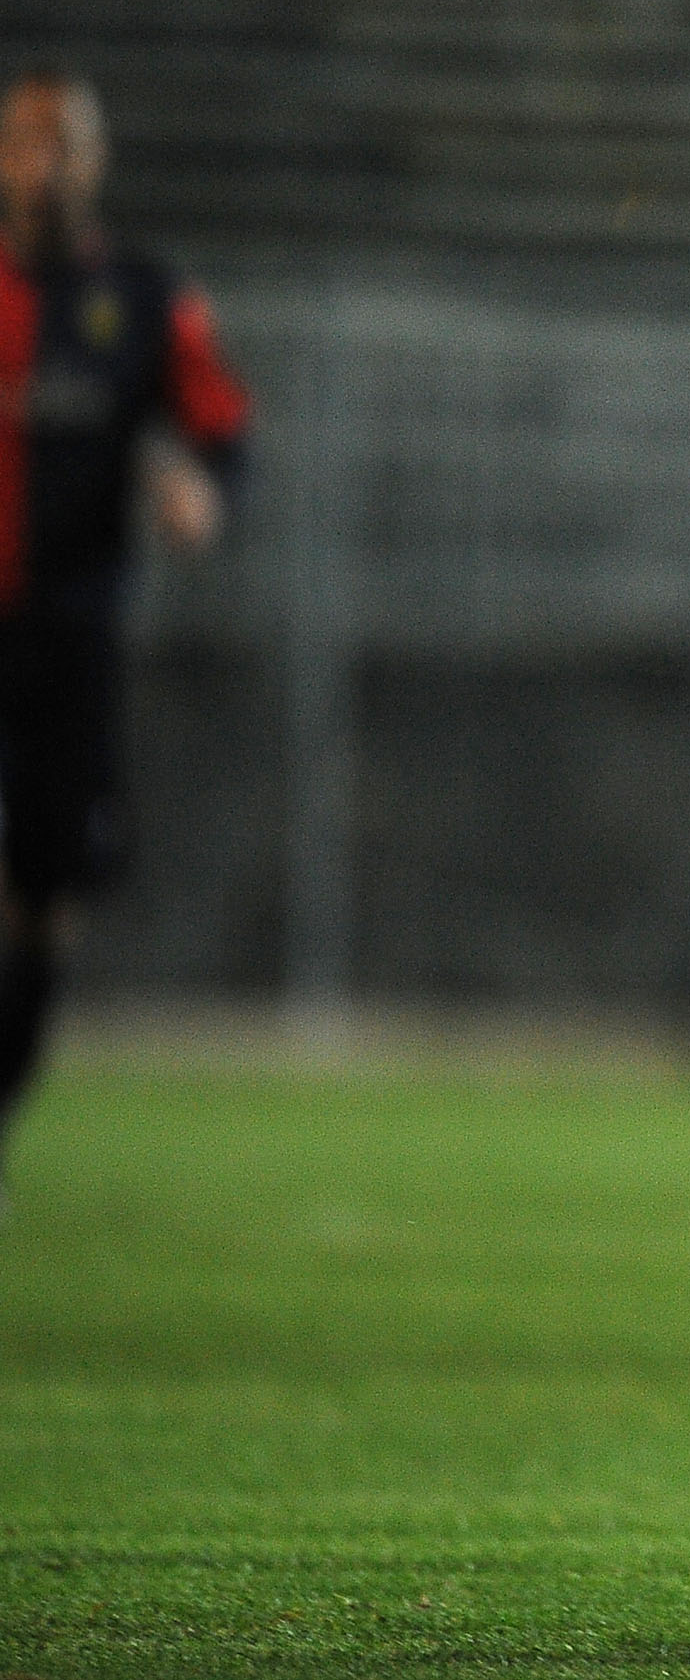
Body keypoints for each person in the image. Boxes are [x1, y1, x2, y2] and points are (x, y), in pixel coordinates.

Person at [0, 68, 253, 1202]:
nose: (38, 162)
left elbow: (224, 430)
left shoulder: (145, 303)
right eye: (23, 141)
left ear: (92, 163)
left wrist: (200, 488)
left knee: (46, 897)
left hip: (69, 639)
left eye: (60, 143)